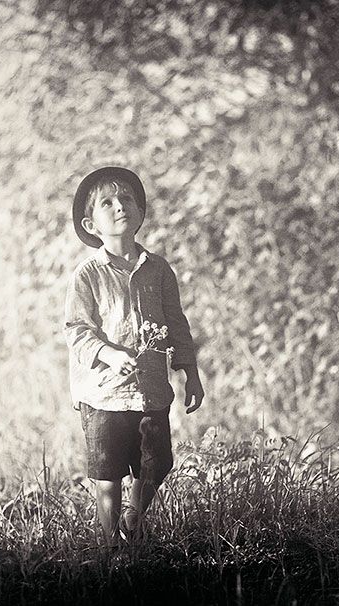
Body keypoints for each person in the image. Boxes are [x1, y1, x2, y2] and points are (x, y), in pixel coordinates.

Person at [64, 166, 204, 550]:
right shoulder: (88, 275)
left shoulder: (159, 270)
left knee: (155, 464)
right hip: (103, 394)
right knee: (107, 474)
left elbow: (176, 323)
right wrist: (108, 354)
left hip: (150, 391)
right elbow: (77, 329)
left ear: (141, 212)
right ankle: (112, 549)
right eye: (107, 203)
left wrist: (190, 372)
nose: (119, 206)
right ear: (91, 225)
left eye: (126, 198)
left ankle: (134, 517)